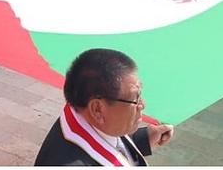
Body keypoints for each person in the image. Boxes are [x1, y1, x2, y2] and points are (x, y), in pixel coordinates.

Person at [34, 48, 174, 166]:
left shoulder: (80, 111)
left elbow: (107, 143)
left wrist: (143, 139)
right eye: (135, 98)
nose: (142, 105)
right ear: (97, 109)